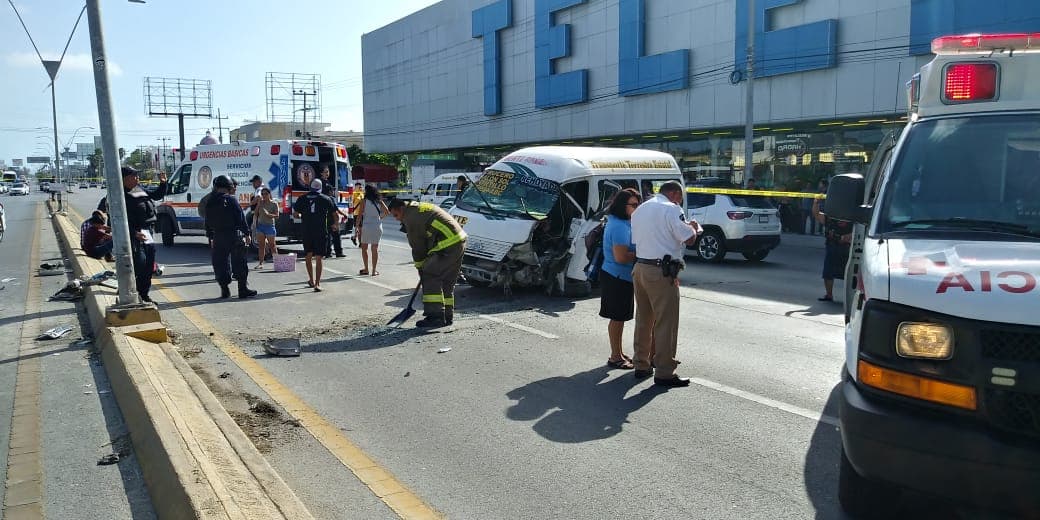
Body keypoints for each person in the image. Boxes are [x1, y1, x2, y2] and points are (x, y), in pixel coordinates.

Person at [630, 181, 700, 387]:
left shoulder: (640, 209)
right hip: (661, 271)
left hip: (641, 267)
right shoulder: (671, 208)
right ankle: (664, 371)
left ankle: (641, 364)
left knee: (643, 319)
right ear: (675, 193)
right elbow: (688, 239)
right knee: (666, 322)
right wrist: (693, 228)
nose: (681, 202)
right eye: (681, 197)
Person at [388, 199, 467, 328]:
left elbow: (418, 247)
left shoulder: (411, 218)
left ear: (402, 209)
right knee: (447, 281)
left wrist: (421, 269)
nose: (396, 219)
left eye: (396, 215)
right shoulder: (417, 207)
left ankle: (435, 316)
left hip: (447, 245)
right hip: (459, 240)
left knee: (429, 275)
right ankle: (447, 316)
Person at [600, 188, 642, 370]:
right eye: (633, 205)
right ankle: (615, 356)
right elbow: (621, 256)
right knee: (617, 318)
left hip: (619, 276)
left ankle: (618, 352)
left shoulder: (623, 222)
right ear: (622, 205)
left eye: (638, 204)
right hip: (617, 276)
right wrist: (643, 253)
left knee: (620, 317)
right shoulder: (619, 226)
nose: (637, 208)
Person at [205, 176, 257, 299]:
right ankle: (242, 289)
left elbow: (207, 221)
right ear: (228, 186)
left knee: (220, 263)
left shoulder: (210, 201)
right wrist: (247, 233)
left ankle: (224, 289)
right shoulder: (231, 200)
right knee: (240, 262)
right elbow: (240, 218)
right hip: (233, 235)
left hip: (218, 236)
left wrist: (211, 237)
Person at [122, 166, 168, 303]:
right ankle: (129, 293)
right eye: (133, 176)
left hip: (147, 232)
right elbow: (116, 220)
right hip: (134, 234)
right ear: (124, 179)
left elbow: (157, 195)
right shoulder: (119, 195)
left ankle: (144, 295)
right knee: (139, 265)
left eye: (137, 175)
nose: (137, 178)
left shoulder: (139, 189)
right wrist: (133, 233)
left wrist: (163, 183)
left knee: (149, 265)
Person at [293, 179, 337, 291]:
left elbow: (295, 214)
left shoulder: (302, 198)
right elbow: (335, 214)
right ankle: (318, 284)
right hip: (321, 231)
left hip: (307, 230)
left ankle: (311, 280)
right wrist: (335, 225)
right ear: (320, 188)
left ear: (310, 187)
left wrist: (303, 216)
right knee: (319, 257)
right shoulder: (326, 199)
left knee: (308, 255)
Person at [813, 196, 852, 302]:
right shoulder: (830, 217)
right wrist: (816, 203)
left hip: (848, 248)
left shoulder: (851, 217)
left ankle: (851, 298)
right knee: (828, 273)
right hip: (832, 246)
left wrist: (849, 236)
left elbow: (859, 229)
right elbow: (816, 214)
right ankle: (829, 295)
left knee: (850, 274)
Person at [357, 184, 389, 276]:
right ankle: (374, 270)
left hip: (366, 226)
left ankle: (366, 268)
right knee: (374, 248)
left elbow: (359, 215)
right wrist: (379, 218)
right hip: (377, 226)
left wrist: (356, 227)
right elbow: (387, 212)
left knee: (364, 248)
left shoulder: (364, 201)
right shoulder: (379, 201)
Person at [253, 188, 278, 270]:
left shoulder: (274, 204)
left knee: (272, 245)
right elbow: (256, 213)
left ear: (269, 194)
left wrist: (269, 215)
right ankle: (260, 263)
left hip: (270, 226)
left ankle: (277, 263)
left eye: (266, 194)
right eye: (262, 194)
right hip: (260, 226)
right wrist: (258, 204)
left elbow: (277, 215)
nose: (264, 196)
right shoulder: (261, 203)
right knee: (261, 245)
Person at [349, 181, 364, 246]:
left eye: (360, 186)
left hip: (363, 213)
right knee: (359, 229)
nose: (360, 187)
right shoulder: (354, 193)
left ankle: (354, 237)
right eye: (358, 186)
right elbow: (351, 202)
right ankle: (360, 243)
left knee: (361, 229)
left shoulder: (362, 193)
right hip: (356, 214)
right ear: (356, 187)